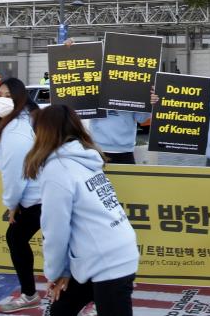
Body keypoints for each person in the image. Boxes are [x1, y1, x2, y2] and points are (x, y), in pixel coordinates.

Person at [23, 105, 138, 316]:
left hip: (109, 261)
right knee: (61, 310)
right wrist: (64, 271)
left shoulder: (58, 169)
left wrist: (55, 273)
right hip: (104, 253)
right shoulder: (85, 157)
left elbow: (55, 232)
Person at [0, 77, 42, 313]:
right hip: (42, 194)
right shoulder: (22, 121)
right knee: (18, 238)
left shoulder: (15, 130)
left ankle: (30, 294)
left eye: (8, 96)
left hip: (40, 197)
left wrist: (12, 204)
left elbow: (15, 174)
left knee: (16, 238)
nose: (2, 100)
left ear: (20, 99)